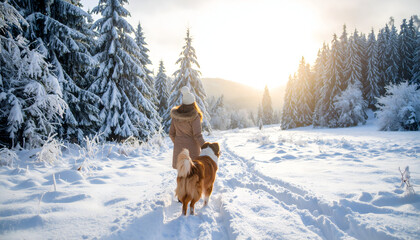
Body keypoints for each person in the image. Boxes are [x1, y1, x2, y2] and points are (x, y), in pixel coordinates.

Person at [169, 86, 205, 169]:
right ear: (193, 103)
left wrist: (178, 142)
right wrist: (205, 146)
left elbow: (171, 134)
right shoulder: (195, 116)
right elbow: (197, 135)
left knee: (181, 177)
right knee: (192, 177)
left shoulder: (175, 116)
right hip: (192, 152)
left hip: (179, 151)